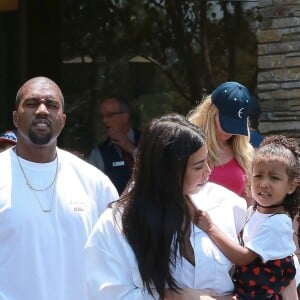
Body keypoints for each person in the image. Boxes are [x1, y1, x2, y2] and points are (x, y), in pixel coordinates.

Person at [85, 113, 248, 300]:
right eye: (198, 166)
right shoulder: (115, 225)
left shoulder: (225, 203)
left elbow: (257, 271)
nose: (208, 172)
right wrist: (173, 297)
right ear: (169, 172)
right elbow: (107, 293)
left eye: (207, 161)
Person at [0, 76, 118, 300]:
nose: (42, 110)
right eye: (32, 103)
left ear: (63, 120)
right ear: (15, 118)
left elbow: (116, 261)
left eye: (52, 105)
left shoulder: (95, 183)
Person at [195, 134, 300, 299]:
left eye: (274, 178)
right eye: (258, 175)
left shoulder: (278, 224)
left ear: (291, 186)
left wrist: (211, 228)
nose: (264, 183)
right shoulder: (253, 212)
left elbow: (242, 258)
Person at [187, 81, 254, 203]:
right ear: (211, 111)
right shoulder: (188, 143)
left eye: (236, 126)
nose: (231, 132)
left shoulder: (245, 153)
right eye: (227, 122)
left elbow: (248, 203)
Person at [88, 96, 140, 194]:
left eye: (109, 115)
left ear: (125, 116)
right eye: (101, 117)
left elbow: (160, 171)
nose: (104, 121)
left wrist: (133, 150)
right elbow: (93, 189)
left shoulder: (147, 140)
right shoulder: (98, 153)